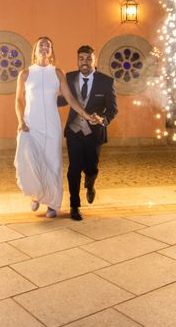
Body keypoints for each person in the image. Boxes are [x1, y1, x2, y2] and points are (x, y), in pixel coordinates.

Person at [14, 37, 96, 218]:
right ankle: (36, 195)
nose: (44, 47)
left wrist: (85, 114)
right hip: (31, 124)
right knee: (32, 160)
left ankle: (52, 204)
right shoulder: (25, 73)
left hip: (52, 126)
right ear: (35, 50)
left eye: (48, 45)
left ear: (51, 51)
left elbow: (70, 99)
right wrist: (21, 121)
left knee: (53, 163)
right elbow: (19, 100)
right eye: (41, 45)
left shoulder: (58, 73)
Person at [60, 45, 118, 221]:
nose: (84, 62)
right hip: (74, 131)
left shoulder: (106, 81)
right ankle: (74, 205)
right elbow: (65, 98)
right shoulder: (69, 78)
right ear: (77, 60)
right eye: (81, 59)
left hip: (94, 133)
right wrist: (42, 100)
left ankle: (90, 183)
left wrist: (102, 119)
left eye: (88, 59)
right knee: (74, 169)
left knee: (91, 167)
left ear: (95, 60)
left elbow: (113, 109)